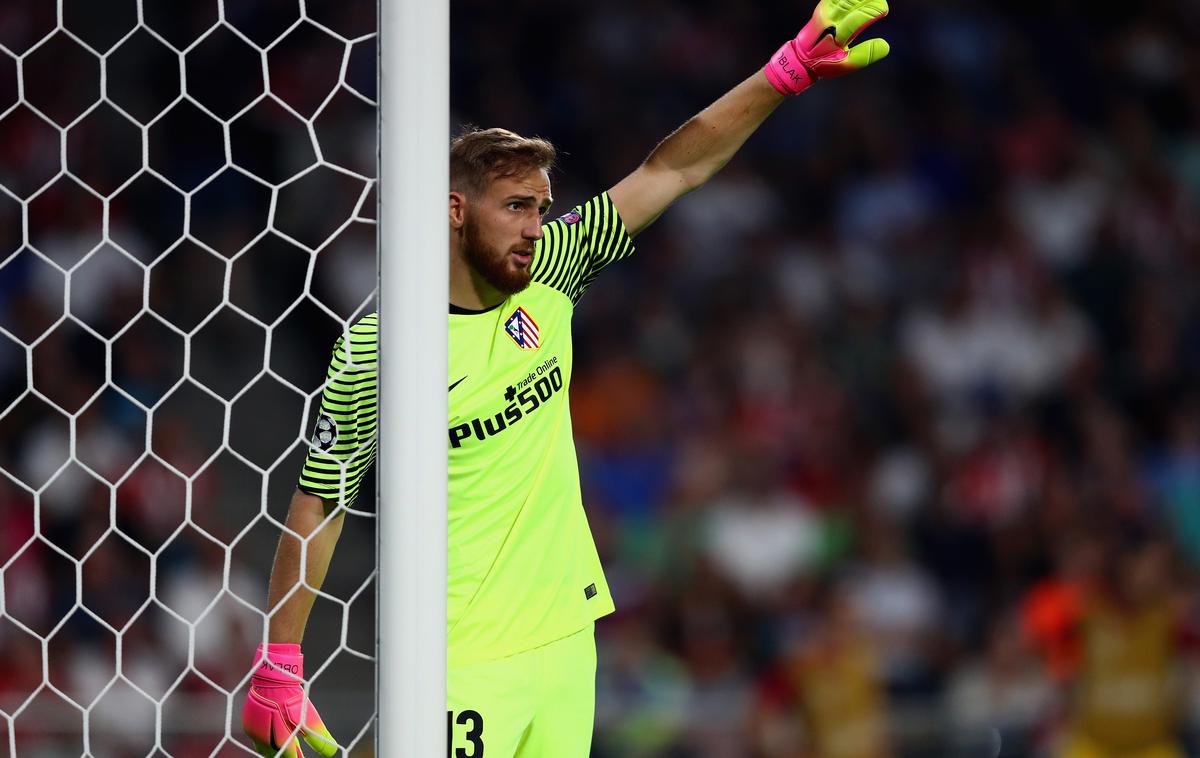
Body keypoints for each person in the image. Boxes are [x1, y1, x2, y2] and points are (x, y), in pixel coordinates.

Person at [241, 1, 891, 755]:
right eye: (516, 207)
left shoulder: (553, 269)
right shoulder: (380, 348)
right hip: (455, 659)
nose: (534, 227)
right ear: (454, 211)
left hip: (564, 639)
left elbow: (671, 169)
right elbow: (321, 501)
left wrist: (778, 78)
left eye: (542, 208)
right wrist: (280, 661)